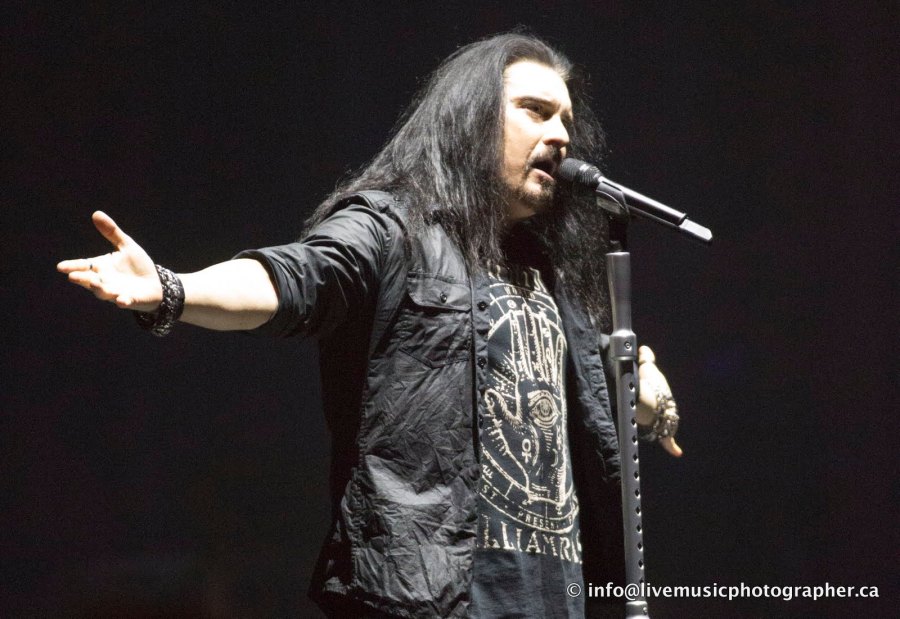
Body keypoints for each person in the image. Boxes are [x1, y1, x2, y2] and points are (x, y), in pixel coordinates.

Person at [58, 33, 682, 618]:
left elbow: (591, 387)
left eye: (566, 120)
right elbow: (298, 279)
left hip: (558, 598)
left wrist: (643, 389)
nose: (561, 135)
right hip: (430, 595)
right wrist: (174, 289)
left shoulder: (552, 272)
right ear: (470, 119)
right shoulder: (395, 227)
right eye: (535, 111)